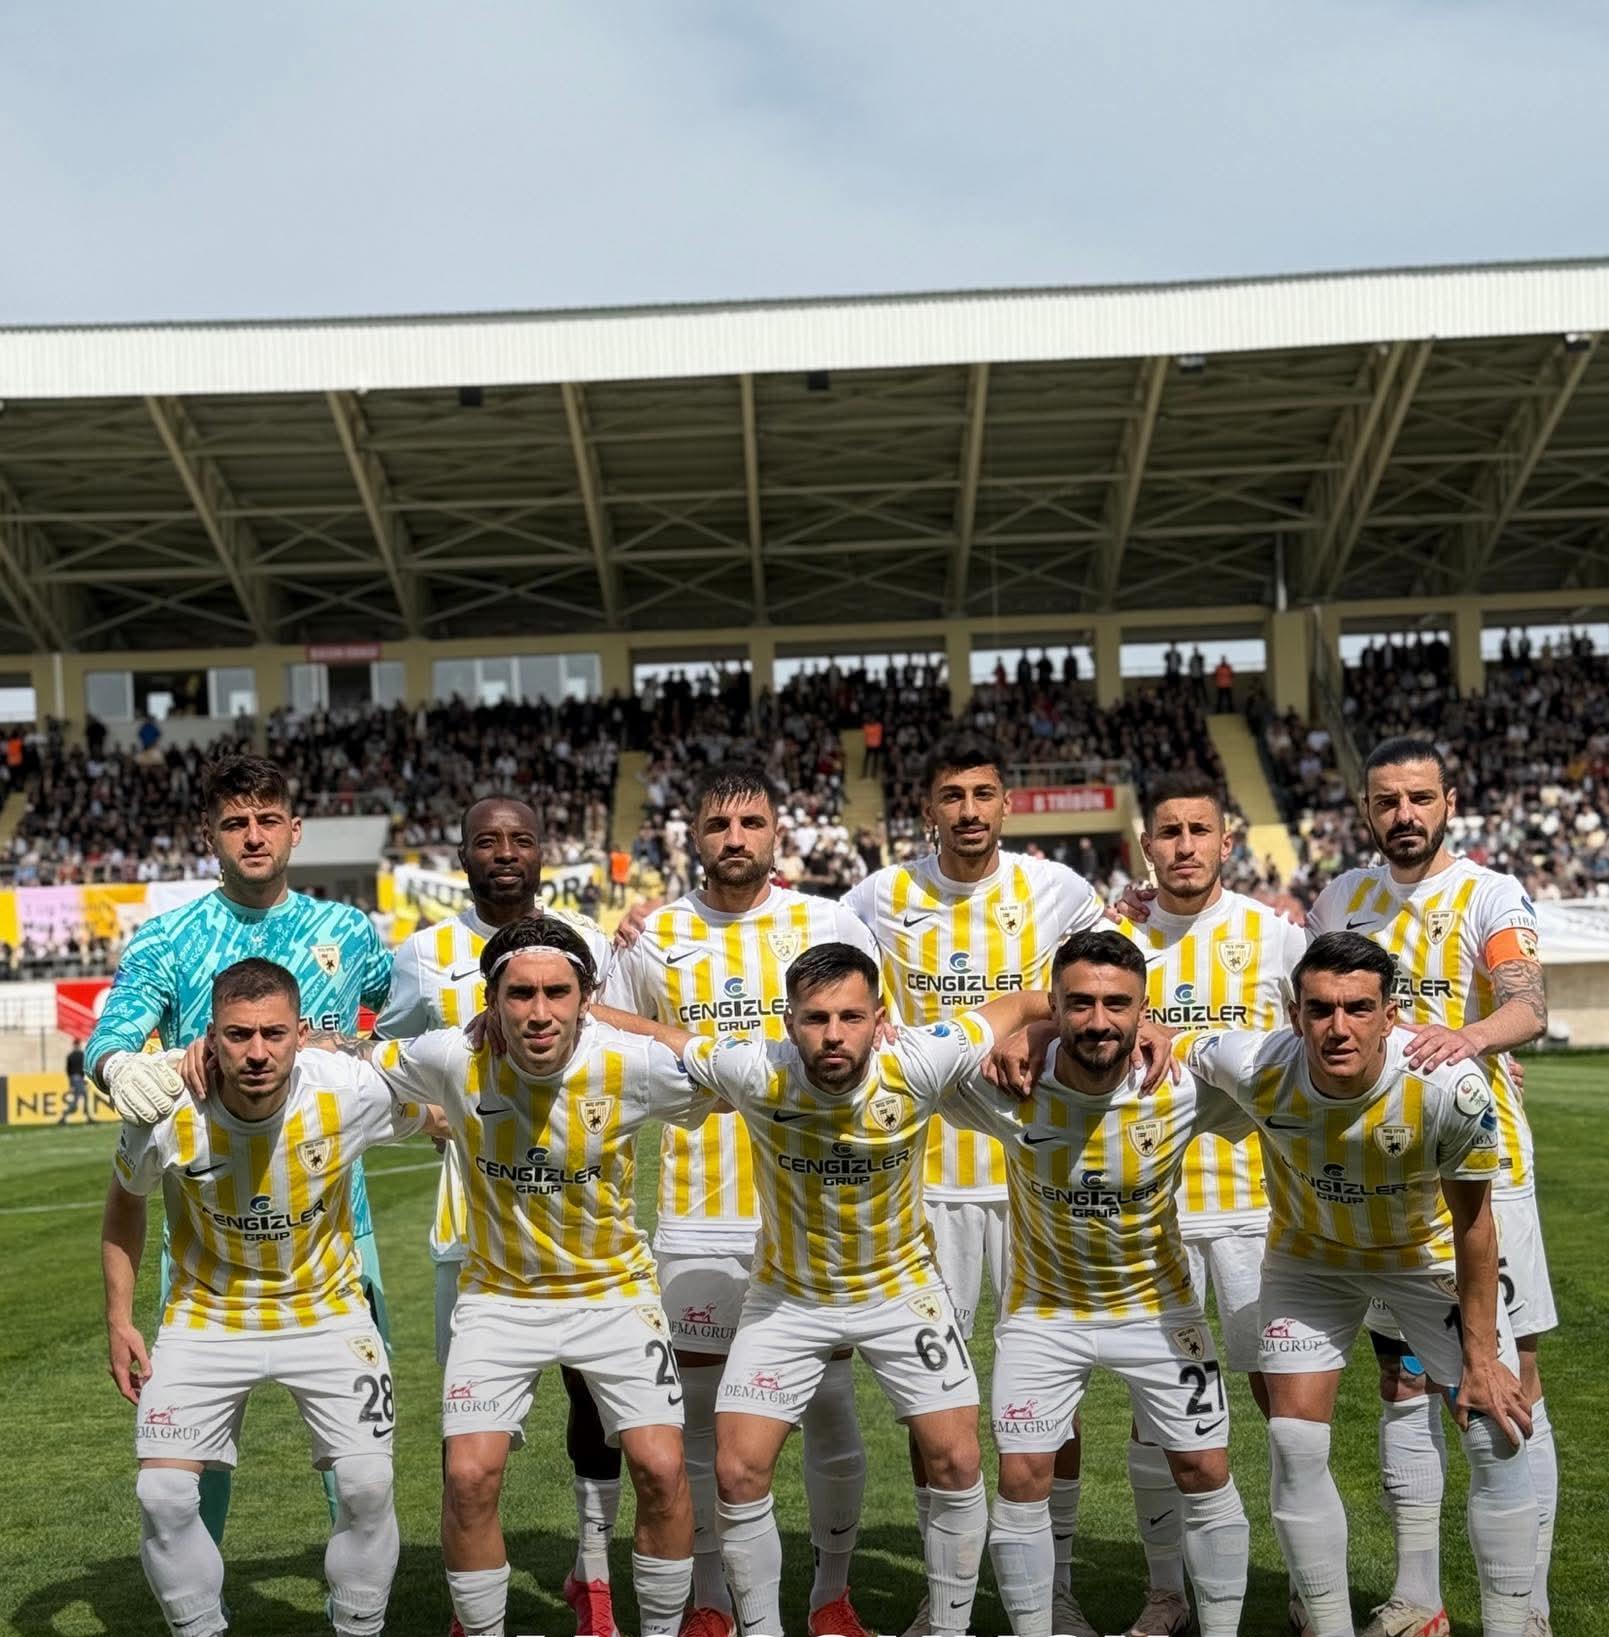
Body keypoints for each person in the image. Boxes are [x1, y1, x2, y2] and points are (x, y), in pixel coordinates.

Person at [595, 942, 1056, 1637]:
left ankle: (947, 1629)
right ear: (788, 1022)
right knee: (736, 1469)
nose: (833, 1034)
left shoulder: (920, 1059)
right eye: (815, 1018)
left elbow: (1027, 1000)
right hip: (788, 1299)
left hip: (901, 1292)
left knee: (958, 1458)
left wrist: (1074, 1029)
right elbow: (663, 1035)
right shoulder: (755, 1068)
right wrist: (575, 1009)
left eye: (850, 1017)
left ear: (880, 1018)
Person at [1181, 932, 1537, 1637]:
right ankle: (1329, 1626)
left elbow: (1474, 1225)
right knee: (1292, 1440)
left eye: (1358, 1008)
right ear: (1294, 1014)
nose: (1337, 1027)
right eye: (1319, 1009)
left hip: (1423, 1260)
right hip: (1309, 1261)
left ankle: (1508, 1624)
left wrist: (1481, 1356)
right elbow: (1167, 1043)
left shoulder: (1450, 1086)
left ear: (1390, 1014)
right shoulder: (1254, 1063)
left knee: (1496, 1431)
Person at [841, 732, 1115, 1634]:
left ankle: (1056, 1588)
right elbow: (805, 960)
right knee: (934, 1405)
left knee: (1053, 1393)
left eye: (983, 793)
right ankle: (944, 1595)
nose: (968, 810)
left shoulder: (1058, 890)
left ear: (1006, 803)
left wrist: (1033, 1025)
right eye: (951, 795)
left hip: (1042, 1177)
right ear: (926, 808)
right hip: (922, 1185)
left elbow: (1105, 981)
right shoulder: (877, 897)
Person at [373, 917, 714, 1637]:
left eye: (558, 993)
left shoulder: (629, 1061)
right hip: (499, 1298)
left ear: (586, 997)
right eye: (519, 994)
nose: (538, 1011)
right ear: (490, 1001)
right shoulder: (453, 1055)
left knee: (661, 1467)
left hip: (613, 1294)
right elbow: (356, 1061)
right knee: (468, 1475)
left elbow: (726, 1069)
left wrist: (621, 1020)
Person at [92, 754, 394, 1544]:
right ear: (210, 836)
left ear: (295, 830)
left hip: (337, 1227)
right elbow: (111, 1037)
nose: (252, 836)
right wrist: (124, 1066)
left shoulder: (346, 930)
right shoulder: (169, 938)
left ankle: (353, 1600)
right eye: (234, 823)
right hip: (207, 1237)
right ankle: (204, 1593)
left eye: (266, 820)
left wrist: (346, 1046)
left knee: (357, 1463)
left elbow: (411, 1017)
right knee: (193, 1460)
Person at [608, 762, 881, 1637]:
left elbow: (879, 1033)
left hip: (812, 1213)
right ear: (692, 834)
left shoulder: (829, 922)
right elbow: (603, 1030)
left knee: (829, 1406)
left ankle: (830, 1594)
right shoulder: (654, 934)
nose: (735, 838)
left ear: (776, 833)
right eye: (718, 824)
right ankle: (711, 1600)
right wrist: (668, 1033)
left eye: (751, 822)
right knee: (696, 1421)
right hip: (697, 1215)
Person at [101, 958, 441, 1637]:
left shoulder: (346, 1089)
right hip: (206, 1314)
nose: (257, 1052)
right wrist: (119, 1318)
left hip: (327, 1309)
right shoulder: (167, 1107)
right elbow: (125, 1201)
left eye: (274, 1033)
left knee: (367, 1485)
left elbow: (440, 1113)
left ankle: (358, 1627)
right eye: (238, 1034)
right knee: (163, 1494)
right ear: (210, 1038)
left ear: (300, 1035)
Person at [1306, 738, 1553, 1637]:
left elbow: (1529, 1003)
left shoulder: (1487, 892)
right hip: (1381, 1172)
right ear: (1365, 810)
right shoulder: (1340, 897)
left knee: (1507, 1382)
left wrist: (1473, 1037)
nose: (1402, 814)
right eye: (1386, 800)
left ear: (1447, 800)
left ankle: (1526, 1611)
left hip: (1486, 1166)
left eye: (1418, 797)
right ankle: (1417, 1600)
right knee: (1401, 1376)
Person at [946, 931, 1251, 1637]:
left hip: (1160, 1311)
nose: (1098, 1020)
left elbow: (1284, 1074)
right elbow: (914, 1062)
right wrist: (1024, 1029)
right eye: (1078, 1003)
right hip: (1042, 1315)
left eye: (1118, 1004)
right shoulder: (1007, 1084)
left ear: (1144, 1011)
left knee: (1205, 1469)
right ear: (1052, 1007)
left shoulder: (1183, 1086)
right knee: (1022, 1475)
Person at [371, 796, 626, 1637]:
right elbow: (385, 1072)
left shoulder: (591, 941)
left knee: (597, 1408)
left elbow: (624, 1045)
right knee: (470, 1434)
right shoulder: (423, 953)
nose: (505, 852)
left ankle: (593, 1577)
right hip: (472, 1233)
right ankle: (470, 1602)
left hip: (586, 1226)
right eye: (487, 840)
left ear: (543, 852)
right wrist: (428, 1116)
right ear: (464, 856)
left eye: (520, 839)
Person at [1110, 771, 1306, 1636]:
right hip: (1148, 1215)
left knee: (1286, 1409)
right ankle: (1165, 1593)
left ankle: (1307, 1586)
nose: (1184, 845)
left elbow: (1336, 1035)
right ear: (1145, 846)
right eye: (1168, 831)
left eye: (1199, 830)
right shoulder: (1110, 936)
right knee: (1155, 1413)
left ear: (1226, 841)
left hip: (1259, 1211)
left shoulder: (1274, 934)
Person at [59, 1037, 90, 1123]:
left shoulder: (70, 1056)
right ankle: (64, 1115)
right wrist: (84, 1079)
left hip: (74, 1079)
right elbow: (84, 1068)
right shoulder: (82, 1055)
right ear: (79, 1045)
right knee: (77, 1100)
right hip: (79, 1079)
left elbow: (68, 1070)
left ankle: (88, 1116)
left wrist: (71, 1083)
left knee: (84, 1096)